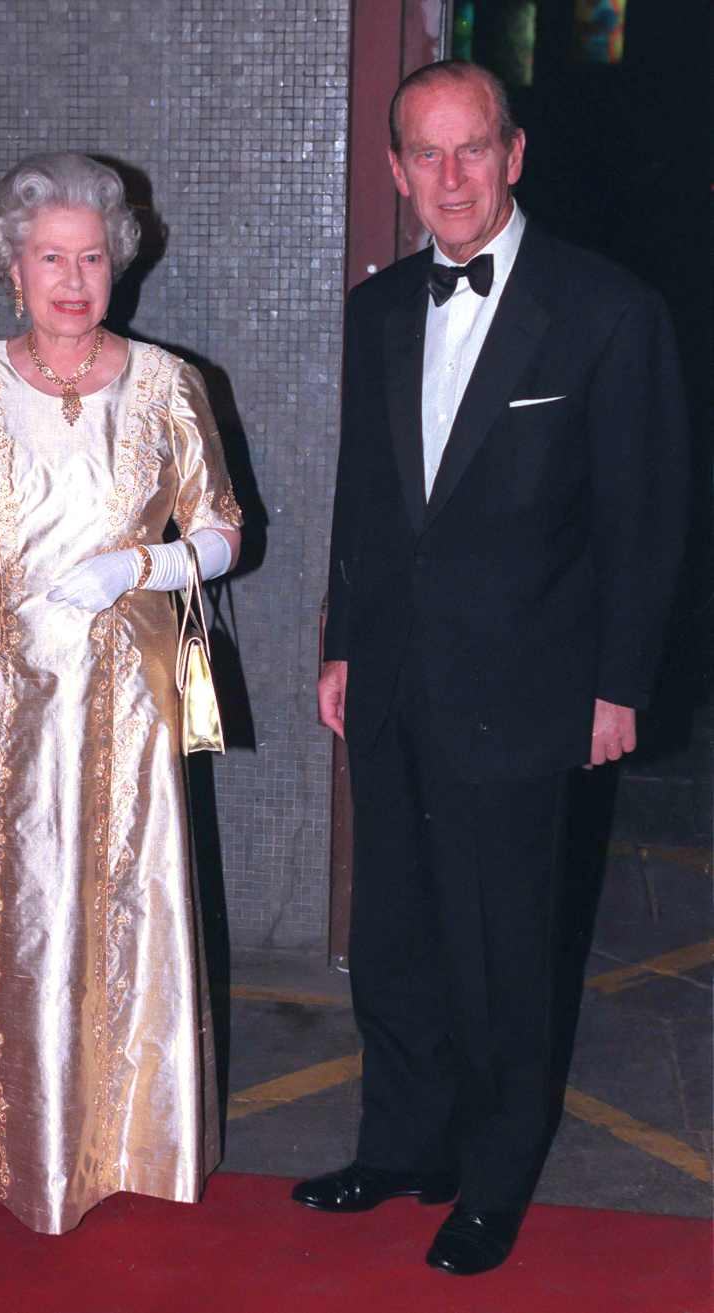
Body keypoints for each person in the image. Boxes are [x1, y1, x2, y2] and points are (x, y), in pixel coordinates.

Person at [293, 61, 688, 1276]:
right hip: (397, 677)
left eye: (474, 150)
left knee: (507, 945)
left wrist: (621, 683)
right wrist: (342, 642)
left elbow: (647, 514)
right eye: (428, 154)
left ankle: (497, 1174)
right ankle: (403, 1141)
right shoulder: (376, 309)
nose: (452, 178)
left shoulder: (607, 310)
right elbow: (368, 500)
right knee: (398, 928)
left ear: (513, 155)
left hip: (533, 686)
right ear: (399, 169)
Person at [0, 152, 242, 1235]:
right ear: (12, 267)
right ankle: (5, 1147)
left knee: (120, 912)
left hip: (128, 704)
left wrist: (143, 568)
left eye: (90, 258)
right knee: (7, 920)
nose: (72, 280)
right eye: (49, 259)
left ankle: (119, 1139)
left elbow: (223, 532)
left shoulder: (170, 383)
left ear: (116, 266)